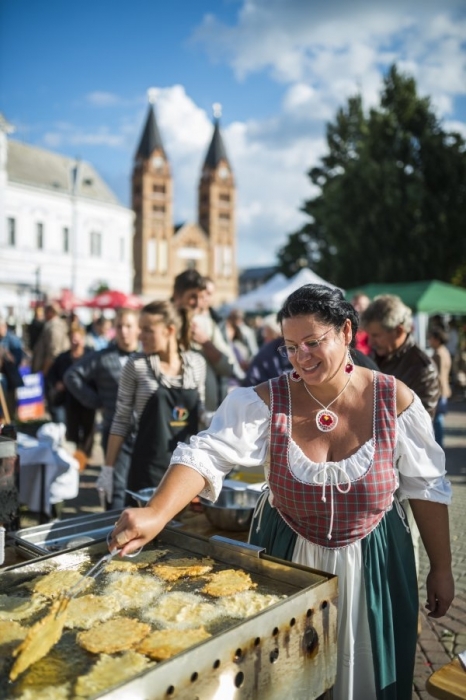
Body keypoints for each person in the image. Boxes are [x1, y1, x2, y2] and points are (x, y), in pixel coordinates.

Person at [109, 283, 454, 700]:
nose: (301, 357)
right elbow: (207, 452)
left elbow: (427, 486)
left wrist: (442, 567)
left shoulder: (391, 398)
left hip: (374, 562)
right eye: (290, 347)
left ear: (346, 332)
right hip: (287, 556)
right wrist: (156, 513)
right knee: (288, 679)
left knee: (365, 673)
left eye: (313, 342)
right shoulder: (267, 401)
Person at [97, 300, 206, 506]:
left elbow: (199, 411)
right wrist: (108, 469)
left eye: (148, 330)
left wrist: (212, 417)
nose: (140, 336)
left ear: (169, 330)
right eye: (141, 329)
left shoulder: (196, 364)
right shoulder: (136, 365)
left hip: (186, 469)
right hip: (147, 469)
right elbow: (121, 419)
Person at [64, 308, 140, 509]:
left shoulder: (146, 356)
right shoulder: (103, 357)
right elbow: (72, 376)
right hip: (114, 430)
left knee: (140, 485)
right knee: (115, 485)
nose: (124, 331)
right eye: (120, 326)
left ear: (138, 329)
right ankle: (112, 529)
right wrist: (96, 401)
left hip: (144, 433)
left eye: (129, 326)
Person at [361, 294, 440, 419]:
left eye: (376, 335)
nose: (370, 342)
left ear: (398, 331)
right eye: (369, 335)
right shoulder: (374, 356)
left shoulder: (422, 368)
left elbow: (419, 425)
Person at [172, 270, 236, 416]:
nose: (198, 303)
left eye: (201, 297)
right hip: (174, 410)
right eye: (192, 297)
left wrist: (206, 343)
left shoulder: (207, 325)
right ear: (177, 295)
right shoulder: (162, 325)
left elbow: (228, 367)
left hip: (205, 413)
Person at [47, 322, 96, 457]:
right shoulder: (63, 358)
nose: (75, 341)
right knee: (72, 429)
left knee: (88, 429)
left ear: (83, 338)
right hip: (70, 399)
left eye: (77, 338)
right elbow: (52, 375)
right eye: (72, 338)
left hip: (88, 398)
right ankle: (74, 456)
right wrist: (57, 384)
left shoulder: (91, 355)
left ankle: (85, 456)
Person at [31, 302, 70, 421]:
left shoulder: (54, 326)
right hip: (56, 368)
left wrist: (45, 370)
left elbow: (54, 352)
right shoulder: (55, 325)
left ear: (51, 312)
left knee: (55, 402)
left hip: (54, 369)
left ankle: (59, 431)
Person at [428, 327, 452, 448]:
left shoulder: (438, 354)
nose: (429, 341)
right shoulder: (444, 351)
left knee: (437, 420)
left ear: (437, 339)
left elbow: (438, 375)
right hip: (443, 389)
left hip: (439, 390)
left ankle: (439, 445)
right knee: (438, 419)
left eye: (431, 338)